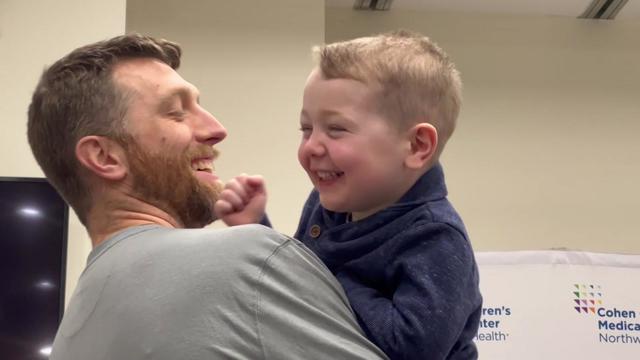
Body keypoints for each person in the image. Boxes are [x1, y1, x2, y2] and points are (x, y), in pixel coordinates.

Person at [27, 33, 388, 360]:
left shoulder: (73, 331)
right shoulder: (248, 262)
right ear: (104, 157)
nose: (217, 129)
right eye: (177, 112)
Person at [216, 30, 483, 359]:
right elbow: (296, 285)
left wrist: (324, 276)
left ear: (416, 146)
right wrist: (256, 226)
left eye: (336, 129)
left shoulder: (436, 237)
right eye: (306, 129)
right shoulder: (325, 206)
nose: (312, 146)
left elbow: (412, 348)